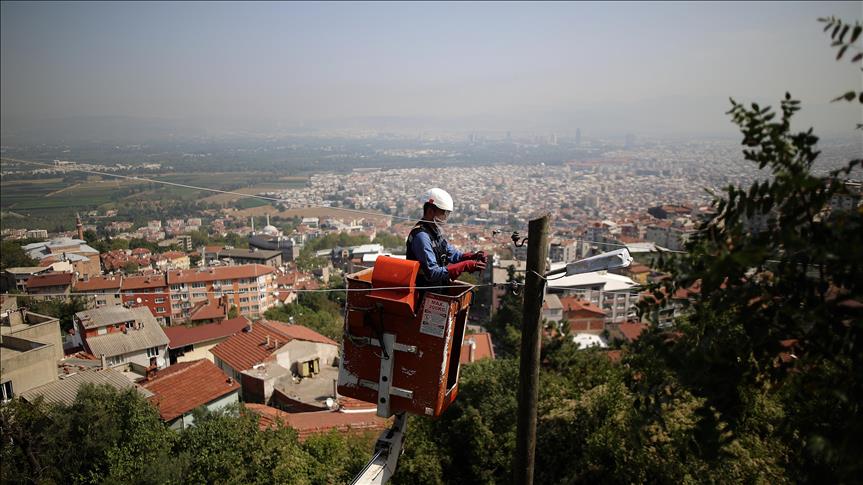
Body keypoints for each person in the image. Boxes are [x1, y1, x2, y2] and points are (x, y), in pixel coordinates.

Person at [406, 188, 487, 287]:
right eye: (443, 213)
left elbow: (452, 254)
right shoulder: (421, 236)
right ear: (430, 211)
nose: (445, 217)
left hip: (436, 287)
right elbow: (433, 273)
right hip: (423, 291)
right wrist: (464, 266)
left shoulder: (434, 231)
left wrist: (472, 256)